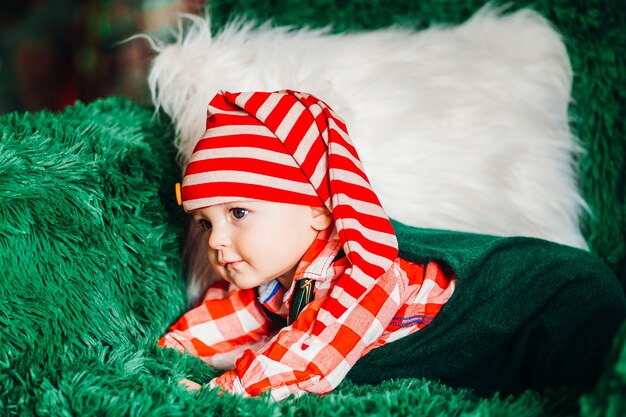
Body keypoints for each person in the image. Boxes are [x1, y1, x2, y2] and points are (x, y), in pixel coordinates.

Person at [158, 89, 456, 400]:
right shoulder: (274, 277)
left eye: (238, 212)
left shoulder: (367, 274)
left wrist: (221, 393)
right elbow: (230, 317)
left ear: (317, 211)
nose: (215, 240)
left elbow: (310, 361)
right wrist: (172, 349)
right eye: (205, 223)